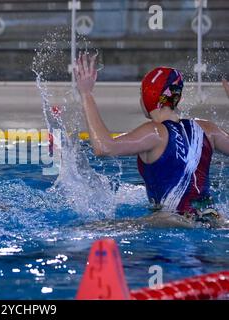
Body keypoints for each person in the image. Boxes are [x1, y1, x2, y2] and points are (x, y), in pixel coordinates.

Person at [73, 53, 229, 227]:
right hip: (212, 219)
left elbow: (104, 147)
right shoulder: (208, 129)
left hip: (173, 221)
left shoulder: (155, 133)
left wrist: (86, 94)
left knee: (90, 228)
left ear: (150, 96)